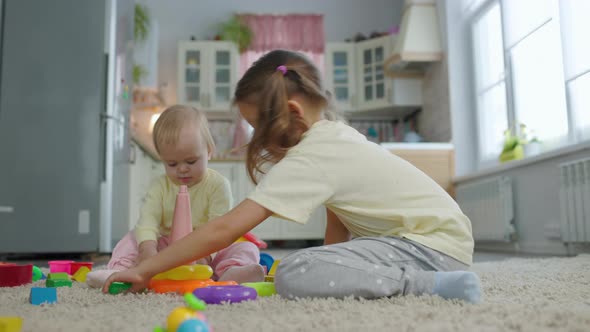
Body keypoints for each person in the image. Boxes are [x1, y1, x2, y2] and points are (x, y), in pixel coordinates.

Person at [102, 50, 482, 304]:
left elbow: (224, 230)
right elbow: (340, 224)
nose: (256, 138)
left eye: (255, 127)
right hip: (441, 243)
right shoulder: (336, 135)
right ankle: (428, 278)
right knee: (313, 263)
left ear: (292, 113)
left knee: (295, 272)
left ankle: (427, 287)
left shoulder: (313, 155)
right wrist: (333, 261)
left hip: (429, 251)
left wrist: (146, 268)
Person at [88, 105, 264, 288]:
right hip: (167, 248)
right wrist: (147, 249)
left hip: (209, 248)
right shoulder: (160, 186)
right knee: (132, 238)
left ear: (209, 151)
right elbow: (147, 221)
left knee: (245, 247)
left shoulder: (218, 185)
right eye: (172, 164)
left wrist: (203, 254)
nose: (182, 169)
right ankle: (119, 271)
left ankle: (231, 272)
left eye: (191, 161)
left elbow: (218, 226)